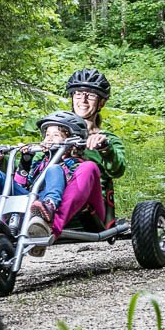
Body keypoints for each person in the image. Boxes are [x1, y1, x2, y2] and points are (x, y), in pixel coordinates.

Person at [0, 111, 89, 241]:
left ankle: (48, 207)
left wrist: (57, 163)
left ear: (73, 142)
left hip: (50, 202)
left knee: (54, 169)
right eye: (47, 135)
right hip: (30, 200)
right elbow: (20, 184)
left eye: (56, 135)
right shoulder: (40, 163)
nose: (49, 139)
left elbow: (73, 189)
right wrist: (26, 159)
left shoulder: (76, 165)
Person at [57, 67, 127, 230]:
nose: (83, 100)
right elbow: (32, 166)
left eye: (91, 95)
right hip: (54, 200)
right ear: (72, 98)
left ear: (101, 102)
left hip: (90, 212)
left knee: (87, 168)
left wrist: (105, 148)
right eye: (78, 94)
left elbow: (117, 170)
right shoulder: (57, 135)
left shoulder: (108, 139)